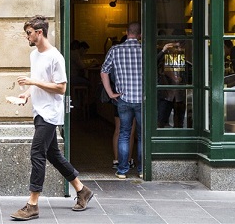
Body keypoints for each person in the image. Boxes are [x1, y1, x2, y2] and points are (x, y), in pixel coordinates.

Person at [10, 16, 93, 221]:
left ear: (39, 32)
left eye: (29, 33)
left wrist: (33, 82)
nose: (26, 37)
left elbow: (61, 87)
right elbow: (39, 81)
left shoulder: (56, 57)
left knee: (37, 154)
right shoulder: (34, 55)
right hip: (39, 110)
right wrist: (27, 93)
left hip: (50, 113)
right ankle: (82, 190)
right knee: (53, 155)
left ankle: (32, 204)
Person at [100, 22, 143, 179]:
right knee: (141, 135)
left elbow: (104, 72)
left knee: (124, 133)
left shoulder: (115, 50)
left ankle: (122, 170)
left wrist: (111, 93)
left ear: (126, 32)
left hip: (123, 98)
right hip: (142, 99)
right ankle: (142, 170)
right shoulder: (145, 50)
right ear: (140, 34)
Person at [157, 42, 190, 128]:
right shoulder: (163, 60)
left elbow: (190, 76)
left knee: (179, 124)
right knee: (160, 122)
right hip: (166, 94)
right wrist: (163, 51)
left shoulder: (185, 63)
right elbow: (153, 64)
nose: (178, 50)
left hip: (180, 96)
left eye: (180, 47)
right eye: (176, 47)